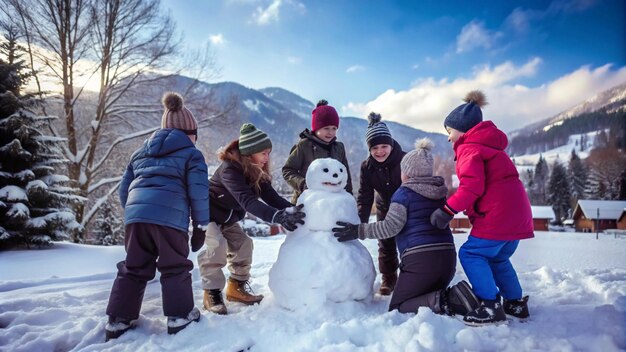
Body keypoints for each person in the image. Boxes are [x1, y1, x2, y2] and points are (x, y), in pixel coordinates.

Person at [105, 92, 209, 341]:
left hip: (136, 218)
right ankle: (180, 316)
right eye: (195, 133)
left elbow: (124, 190)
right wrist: (200, 226)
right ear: (189, 132)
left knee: (134, 267)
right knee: (174, 265)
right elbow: (199, 192)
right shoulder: (192, 154)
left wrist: (135, 214)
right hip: (170, 220)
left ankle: (119, 320)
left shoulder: (140, 153)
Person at [333, 139, 478, 315]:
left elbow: (390, 227)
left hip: (421, 262)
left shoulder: (404, 194)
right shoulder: (440, 193)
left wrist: (358, 230)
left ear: (407, 173)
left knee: (399, 307)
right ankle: (451, 295)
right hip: (447, 261)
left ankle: (447, 299)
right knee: (422, 294)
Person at [430, 90, 534, 326]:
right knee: (498, 259)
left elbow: (471, 188)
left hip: (497, 215)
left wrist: (447, 210)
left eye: (449, 132)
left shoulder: (470, 149)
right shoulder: (492, 148)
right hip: (517, 215)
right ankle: (515, 303)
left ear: (463, 130)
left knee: (471, 253)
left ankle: (489, 305)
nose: (448, 138)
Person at [198, 123, 306, 315]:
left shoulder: (256, 171)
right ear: (250, 153)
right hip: (208, 215)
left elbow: (271, 197)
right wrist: (277, 217)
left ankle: (235, 288)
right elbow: (247, 201)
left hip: (228, 218)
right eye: (264, 153)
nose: (267, 157)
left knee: (244, 244)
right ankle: (212, 292)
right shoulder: (229, 170)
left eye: (268, 153)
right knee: (216, 247)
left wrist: (294, 210)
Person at [356, 112, 404, 296]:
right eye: (374, 147)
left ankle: (410, 274)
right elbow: (365, 195)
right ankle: (389, 277)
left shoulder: (405, 160)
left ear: (391, 144)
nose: (380, 151)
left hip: (408, 207)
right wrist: (361, 221)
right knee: (386, 243)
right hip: (385, 206)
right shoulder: (367, 167)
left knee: (409, 240)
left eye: (384, 146)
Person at [282, 99, 352, 203]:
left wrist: (348, 199)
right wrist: (303, 184)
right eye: (326, 128)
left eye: (334, 128)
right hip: (306, 202)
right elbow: (287, 170)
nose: (330, 132)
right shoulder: (304, 145)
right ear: (316, 128)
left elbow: (346, 177)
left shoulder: (339, 148)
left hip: (333, 204)